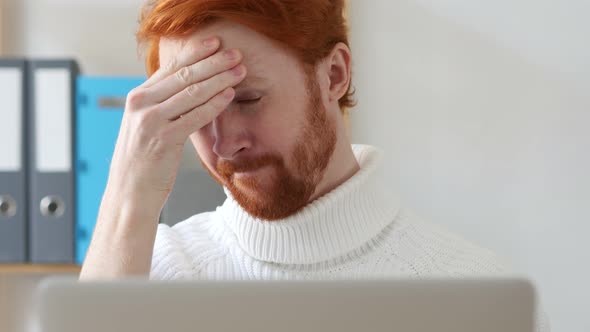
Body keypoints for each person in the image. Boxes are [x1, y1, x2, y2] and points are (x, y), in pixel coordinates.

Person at [80, 1, 548, 330]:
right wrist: (128, 194)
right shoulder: (144, 276)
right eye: (194, 113)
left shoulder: (475, 293)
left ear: (335, 75)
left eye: (247, 99)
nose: (224, 145)